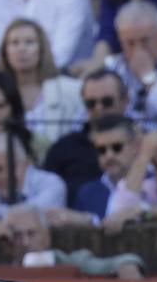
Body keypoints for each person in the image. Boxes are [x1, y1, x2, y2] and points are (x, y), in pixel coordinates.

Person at [0, 203, 146, 275]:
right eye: (17, 235)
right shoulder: (1, 268)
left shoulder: (67, 260)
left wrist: (127, 266)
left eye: (31, 233)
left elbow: (117, 263)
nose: (25, 242)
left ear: (46, 235)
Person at [44, 69, 130, 203]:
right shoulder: (63, 148)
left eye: (107, 102)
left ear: (125, 101)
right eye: (91, 104)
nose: (99, 108)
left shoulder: (143, 143)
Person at [0, 18, 84, 143]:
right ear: (5, 51)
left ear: (42, 49)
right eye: (14, 43)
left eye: (29, 42)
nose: (21, 49)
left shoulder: (71, 90)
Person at [104, 0, 157, 124]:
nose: (138, 49)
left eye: (145, 41)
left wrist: (149, 78)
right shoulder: (111, 68)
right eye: (130, 43)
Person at [67, 114, 138, 224]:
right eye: (101, 150)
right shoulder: (87, 193)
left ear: (135, 147)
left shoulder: (154, 184)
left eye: (116, 147)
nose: (109, 155)